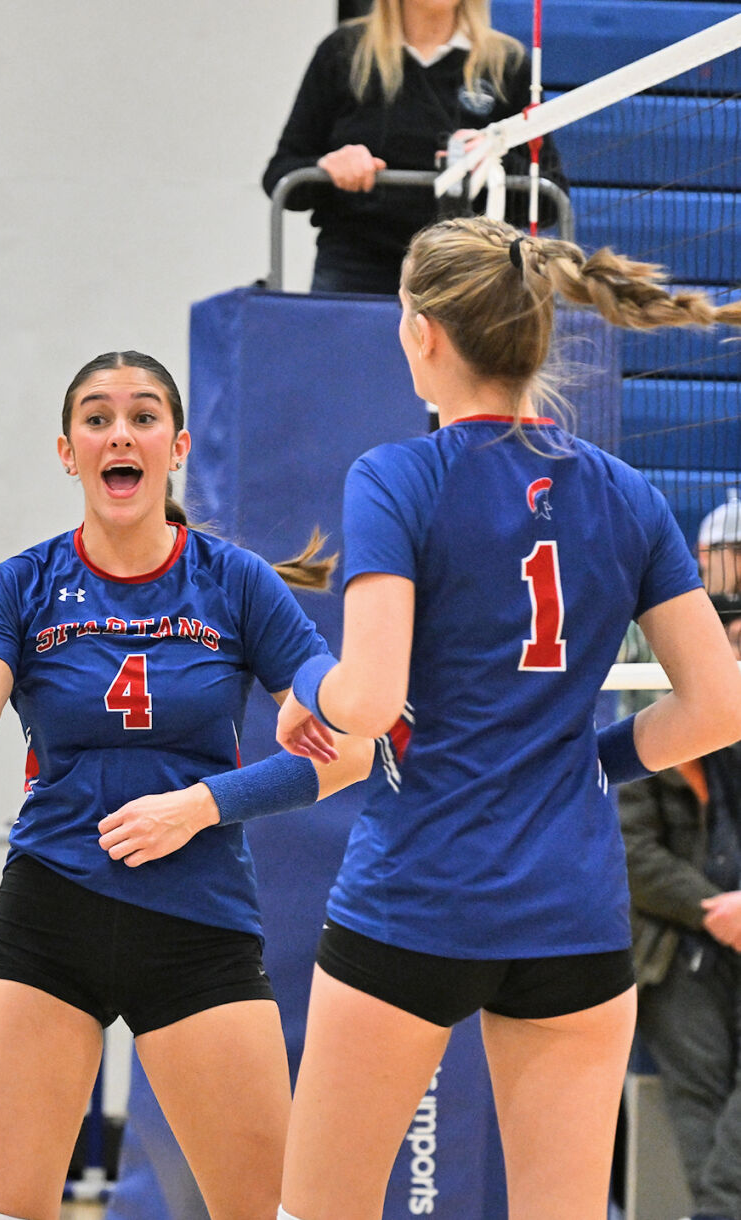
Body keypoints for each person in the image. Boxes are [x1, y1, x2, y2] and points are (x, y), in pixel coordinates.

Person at [0, 350, 376, 1220]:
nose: (120, 431)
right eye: (96, 416)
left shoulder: (235, 584)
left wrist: (203, 805)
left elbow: (349, 748)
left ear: (177, 445)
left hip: (199, 926)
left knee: (268, 1211)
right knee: (3, 1211)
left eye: (143, 415)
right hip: (51, 916)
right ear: (68, 450)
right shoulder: (17, 588)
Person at [273, 215, 741, 1220]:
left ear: (422, 333)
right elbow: (718, 706)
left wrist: (299, 683)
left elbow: (363, 697)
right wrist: (591, 760)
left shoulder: (397, 475)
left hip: (419, 891)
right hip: (568, 910)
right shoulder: (622, 492)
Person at [264, 0, 565, 295]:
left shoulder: (506, 63)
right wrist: (327, 167)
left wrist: (493, 162)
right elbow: (281, 175)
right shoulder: (343, 52)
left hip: (467, 275)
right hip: (355, 271)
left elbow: (551, 198)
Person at [622, 612, 741, 1220]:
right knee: (699, 1105)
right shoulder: (651, 733)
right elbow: (631, 854)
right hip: (679, 952)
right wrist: (713, 909)